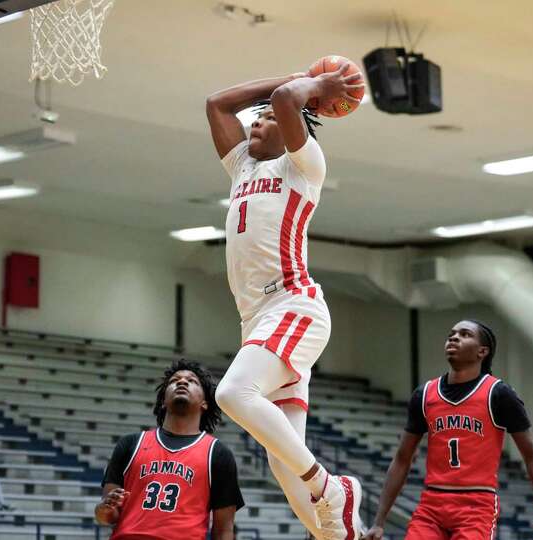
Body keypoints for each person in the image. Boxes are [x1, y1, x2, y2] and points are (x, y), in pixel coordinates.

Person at [205, 64, 366, 539]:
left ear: (298, 126)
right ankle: (337, 533)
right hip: (257, 320)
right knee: (283, 465)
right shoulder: (242, 168)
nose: (257, 122)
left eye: (267, 119)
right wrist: (294, 76)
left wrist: (309, 88)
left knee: (232, 394)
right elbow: (217, 103)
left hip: (293, 305)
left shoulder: (303, 166)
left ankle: (333, 489)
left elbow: (283, 101)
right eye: (255, 119)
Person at [363, 320, 533, 540]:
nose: (454, 338)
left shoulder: (499, 394)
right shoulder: (425, 394)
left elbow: (531, 455)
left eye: (465, 334)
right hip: (431, 505)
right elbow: (402, 459)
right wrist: (379, 522)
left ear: (482, 351)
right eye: (451, 334)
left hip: (476, 505)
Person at [95, 360, 244, 540]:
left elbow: (223, 531)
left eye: (192, 381)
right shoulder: (130, 444)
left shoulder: (218, 454)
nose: (182, 382)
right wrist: (104, 509)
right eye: (175, 380)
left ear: (204, 403)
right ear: (164, 400)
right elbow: (106, 516)